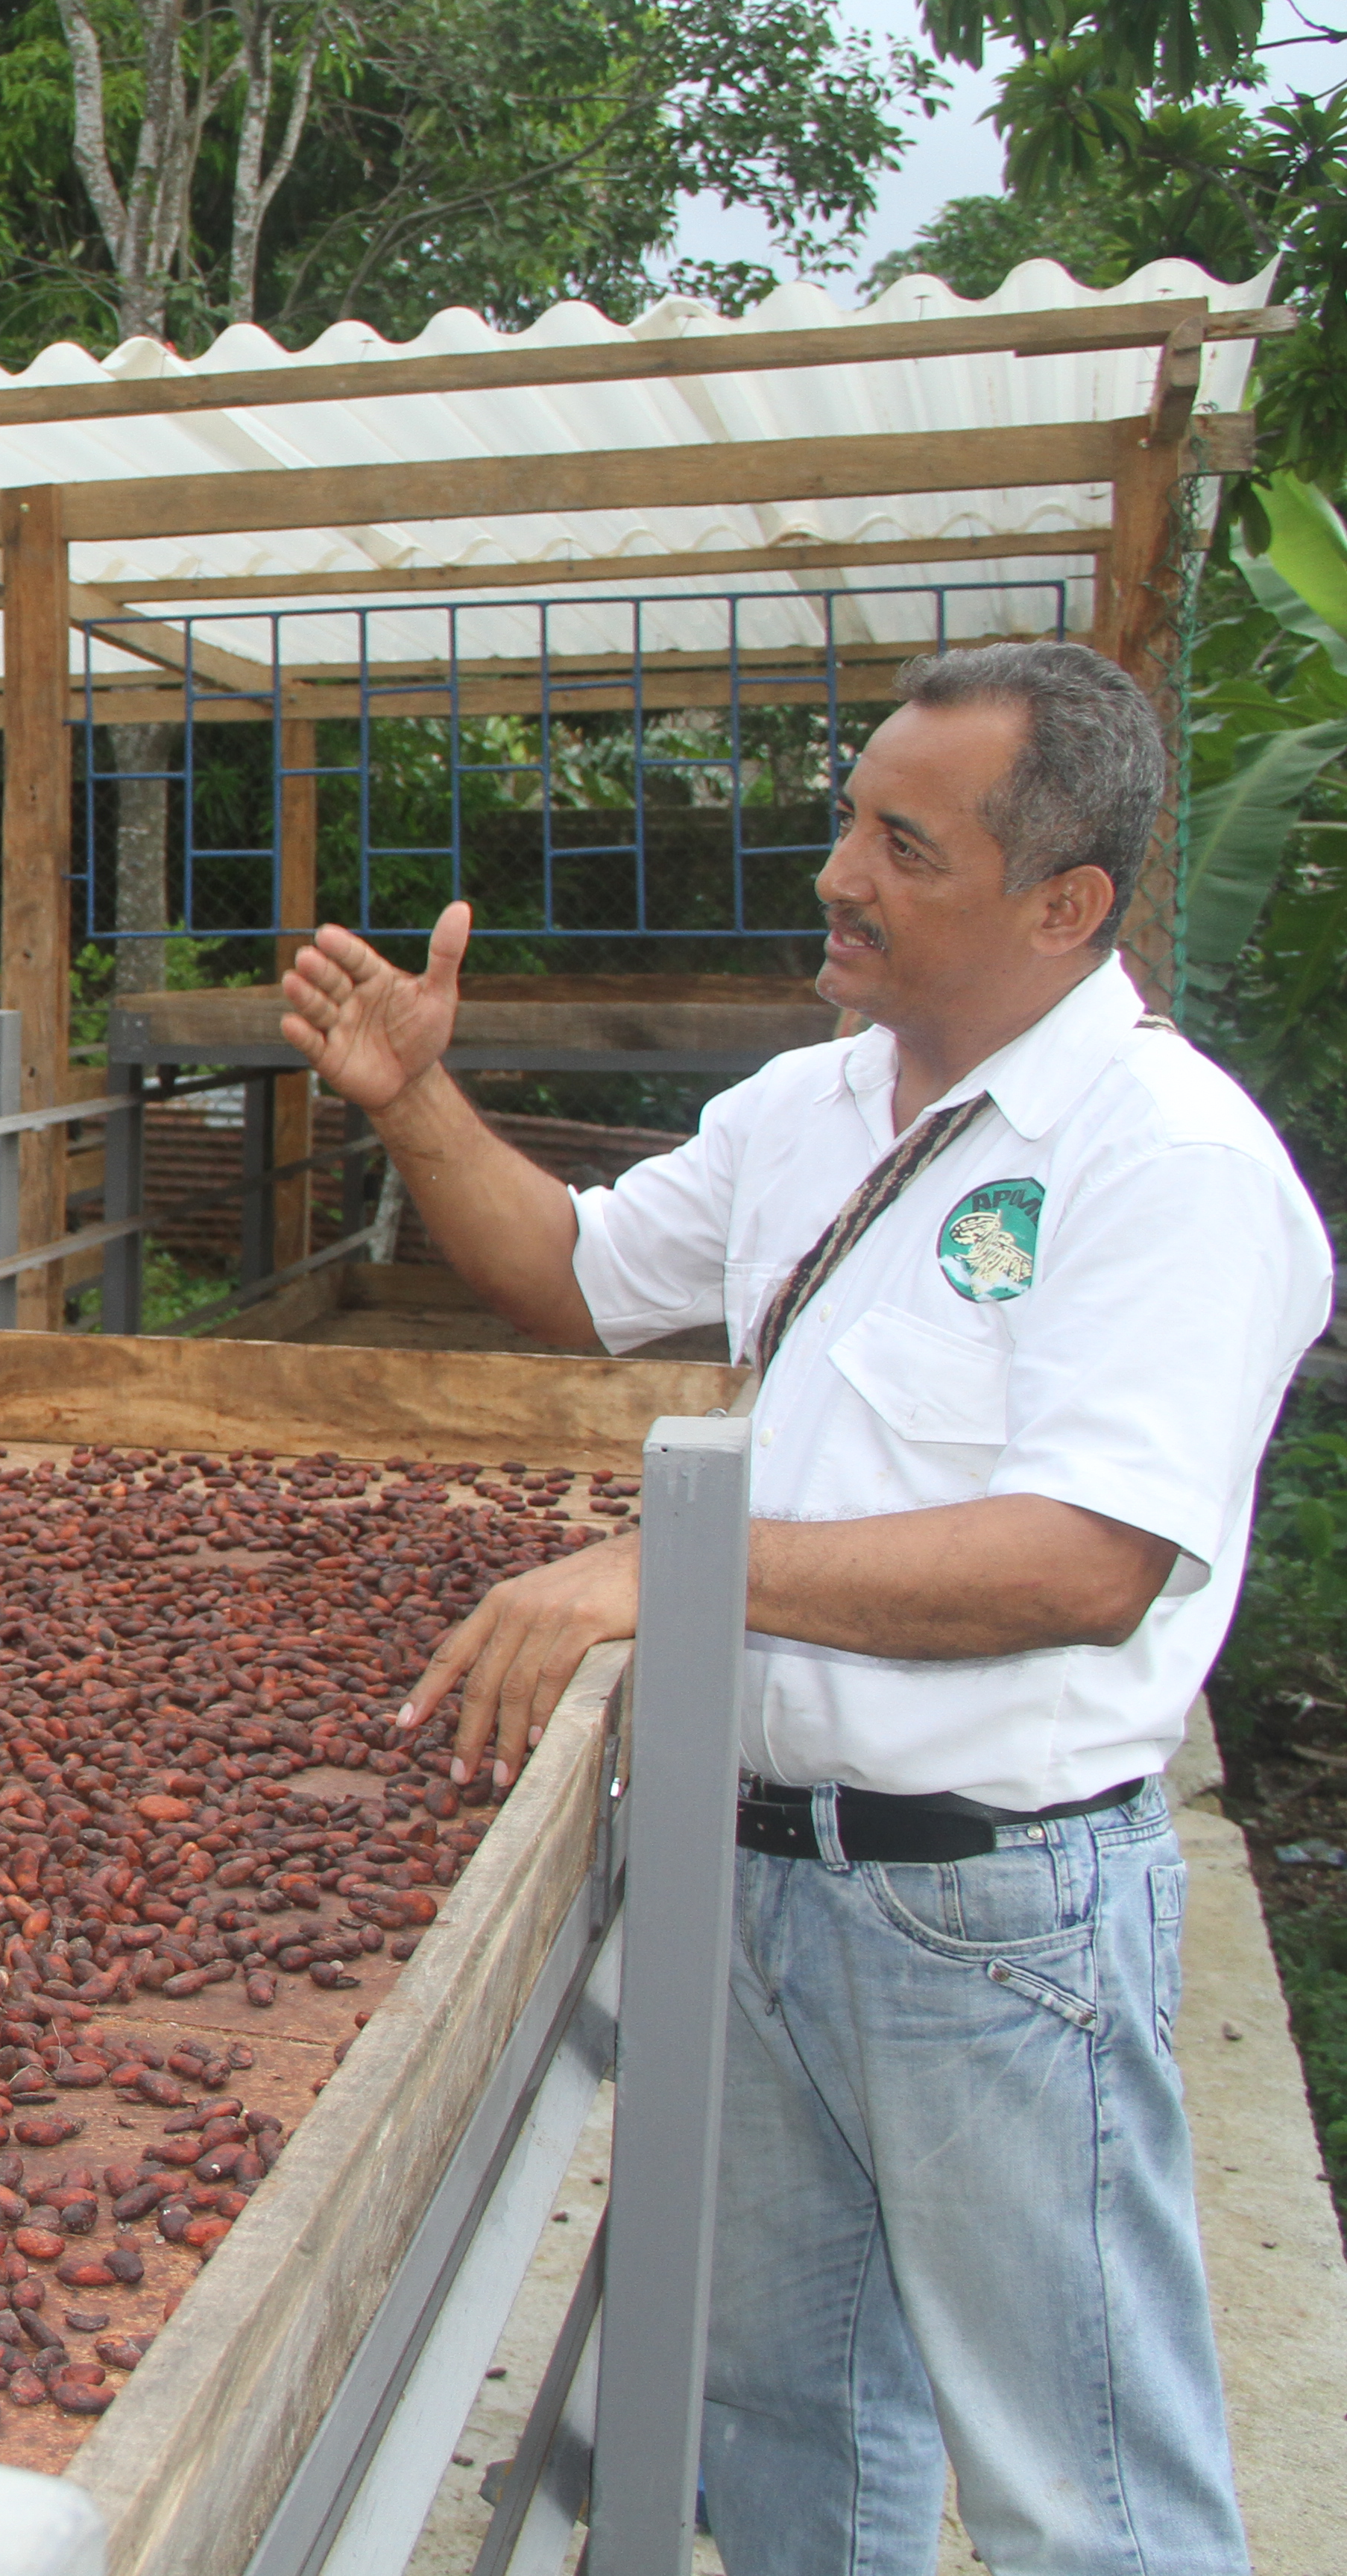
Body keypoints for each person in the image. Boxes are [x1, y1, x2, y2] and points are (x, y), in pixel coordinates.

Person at [278, 640, 1322, 2573]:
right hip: (759, 1878)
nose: (838, 870)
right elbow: (580, 1277)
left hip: (995, 1919)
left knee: (1085, 2489)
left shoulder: (1166, 1167)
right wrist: (417, 1104)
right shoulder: (811, 1110)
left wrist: (661, 1568)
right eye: (852, 817)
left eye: (902, 844)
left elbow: (1085, 1562)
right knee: (784, 2428)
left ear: (1063, 903)